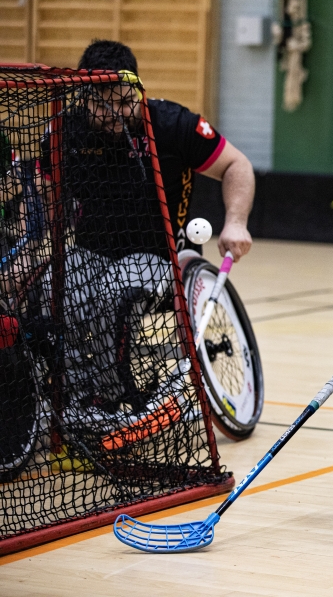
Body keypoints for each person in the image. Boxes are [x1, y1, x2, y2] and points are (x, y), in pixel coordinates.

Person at [29, 40, 254, 426]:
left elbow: (237, 164)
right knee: (51, 292)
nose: (116, 113)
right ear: (85, 98)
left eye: (125, 101)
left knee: (113, 293)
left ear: (137, 89)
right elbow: (47, 192)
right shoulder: (66, 131)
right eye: (104, 105)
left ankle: (113, 402)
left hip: (161, 255)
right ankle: (75, 402)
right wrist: (35, 251)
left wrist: (235, 221)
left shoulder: (171, 124)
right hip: (90, 250)